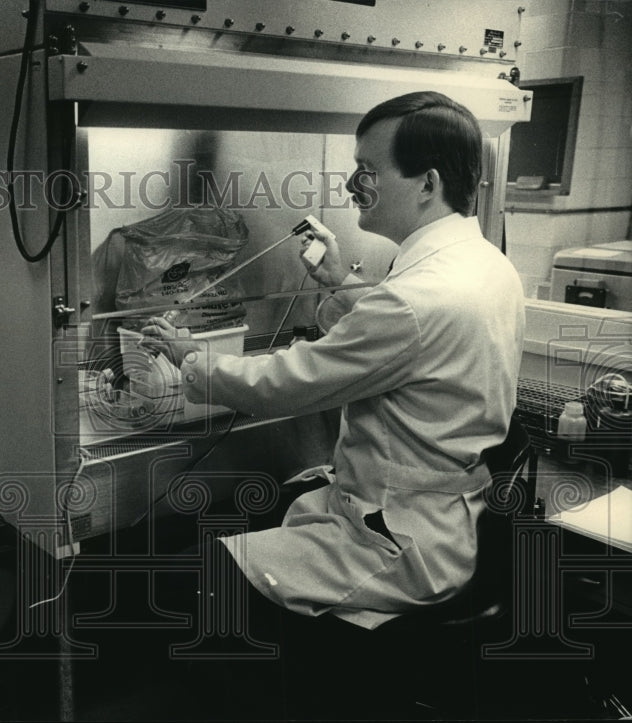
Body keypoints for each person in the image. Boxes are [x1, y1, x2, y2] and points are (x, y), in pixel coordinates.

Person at [141, 91, 526, 640]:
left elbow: (283, 385)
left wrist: (193, 359)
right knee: (248, 521)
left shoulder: (415, 298)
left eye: (368, 170)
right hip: (446, 518)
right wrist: (342, 282)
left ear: (427, 184)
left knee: (188, 579)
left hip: (396, 538)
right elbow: (409, 342)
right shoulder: (488, 265)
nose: (351, 187)